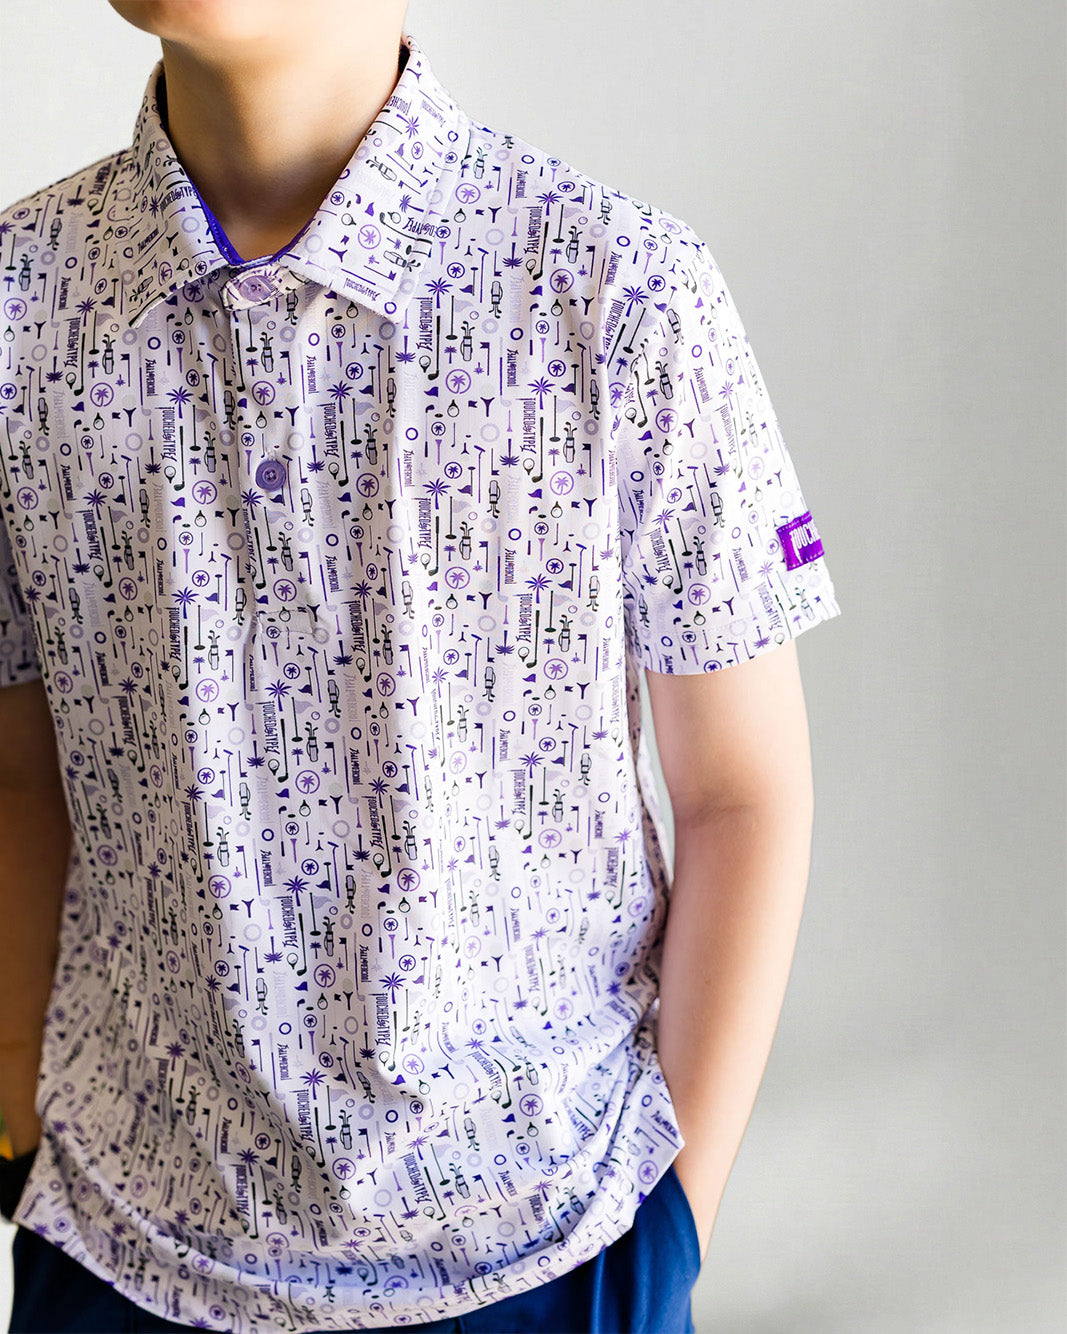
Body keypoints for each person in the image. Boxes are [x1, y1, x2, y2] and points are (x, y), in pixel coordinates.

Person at [0, 1, 842, 1330]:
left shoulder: (619, 291)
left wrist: (676, 1219)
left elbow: (745, 792)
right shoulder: (20, 308)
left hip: (553, 1246)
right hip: (125, 1249)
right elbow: (21, 774)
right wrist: (17, 1131)